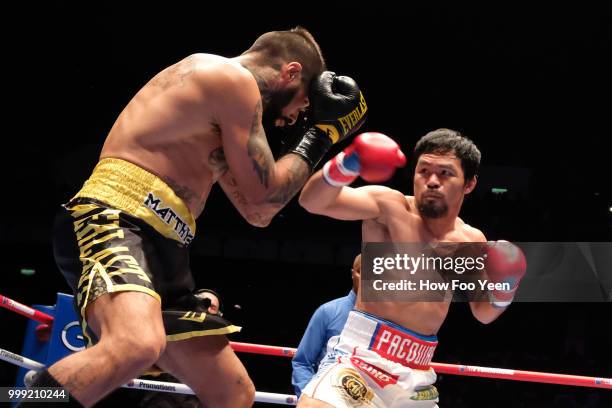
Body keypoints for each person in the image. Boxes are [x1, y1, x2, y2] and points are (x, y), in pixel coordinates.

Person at [29, 26, 367, 408]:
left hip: (165, 246)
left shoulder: (216, 120)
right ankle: (31, 397)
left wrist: (320, 136)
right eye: (302, 105)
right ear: (290, 72)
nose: (293, 119)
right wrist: (322, 135)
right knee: (134, 345)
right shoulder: (230, 78)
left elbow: (260, 210)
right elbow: (267, 189)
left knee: (233, 392)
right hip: (114, 217)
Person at [297, 129, 527, 407]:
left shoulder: (470, 240)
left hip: (418, 375)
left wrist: (506, 285)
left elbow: (483, 313)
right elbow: (312, 201)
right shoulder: (388, 207)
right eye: (424, 171)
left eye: (445, 173)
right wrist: (348, 162)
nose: (431, 181)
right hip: (361, 359)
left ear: (469, 183)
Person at [292, 254, 361, 397]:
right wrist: (309, 398)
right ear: (352, 274)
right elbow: (302, 362)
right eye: (361, 272)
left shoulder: (391, 317)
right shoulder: (328, 312)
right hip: (328, 398)